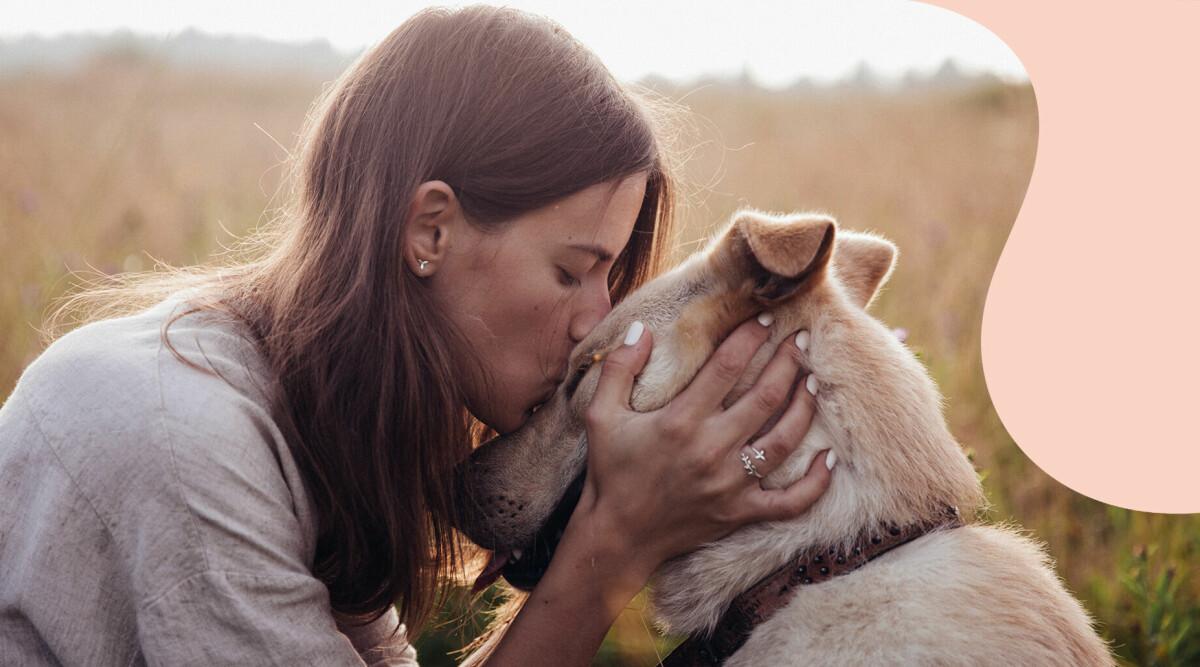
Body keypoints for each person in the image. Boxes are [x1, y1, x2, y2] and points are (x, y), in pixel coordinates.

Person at [0, 5, 832, 665]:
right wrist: (618, 539)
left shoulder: (310, 414)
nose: (595, 323)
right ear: (429, 229)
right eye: (573, 269)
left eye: (612, 278)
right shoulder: (184, 439)